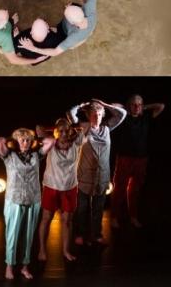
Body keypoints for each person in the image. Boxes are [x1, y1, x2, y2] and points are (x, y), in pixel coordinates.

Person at [0, 128, 55, 279]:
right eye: (22, 140)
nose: (25, 142)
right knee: (12, 234)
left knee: (28, 235)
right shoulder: (9, 156)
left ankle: (25, 266)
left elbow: (52, 141)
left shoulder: (36, 154)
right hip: (14, 199)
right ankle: (9, 266)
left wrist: (37, 140)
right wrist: (13, 140)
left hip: (33, 198)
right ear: (16, 142)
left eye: (28, 140)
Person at [68, 99, 126, 246]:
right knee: (82, 209)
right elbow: (70, 114)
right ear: (88, 115)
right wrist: (82, 105)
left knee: (98, 209)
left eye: (100, 114)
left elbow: (122, 114)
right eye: (94, 114)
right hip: (85, 175)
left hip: (102, 176)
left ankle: (96, 234)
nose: (97, 117)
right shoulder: (83, 127)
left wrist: (106, 105)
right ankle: (80, 234)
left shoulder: (107, 128)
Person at [111, 95, 165, 228]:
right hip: (124, 158)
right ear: (129, 105)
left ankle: (133, 217)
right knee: (119, 189)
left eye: (139, 104)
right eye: (134, 104)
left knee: (135, 190)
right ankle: (114, 217)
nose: (136, 107)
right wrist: (126, 108)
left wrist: (143, 108)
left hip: (141, 159)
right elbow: (112, 106)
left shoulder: (145, 117)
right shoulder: (123, 117)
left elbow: (161, 106)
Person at [36, 119, 85, 262]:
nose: (64, 133)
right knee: (46, 219)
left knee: (67, 221)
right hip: (51, 186)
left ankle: (65, 251)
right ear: (56, 131)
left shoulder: (76, 142)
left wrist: (71, 127)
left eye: (66, 130)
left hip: (69, 187)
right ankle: (42, 250)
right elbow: (39, 127)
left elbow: (86, 125)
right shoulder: (51, 142)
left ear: (70, 130)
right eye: (60, 131)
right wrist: (56, 129)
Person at [19, 0, 99, 57]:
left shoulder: (73, 38)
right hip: (87, 27)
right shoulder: (90, 9)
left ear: (72, 23)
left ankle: (79, 42)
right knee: (84, 33)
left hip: (67, 34)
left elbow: (55, 52)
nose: (65, 8)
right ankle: (88, 34)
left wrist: (33, 48)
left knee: (68, 43)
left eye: (66, 13)